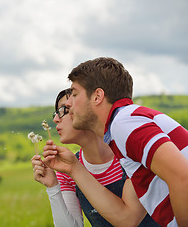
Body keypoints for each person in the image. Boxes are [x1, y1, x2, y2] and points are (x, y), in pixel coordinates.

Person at [44, 57, 188, 227]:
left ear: (97, 96)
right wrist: (73, 169)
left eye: (74, 94)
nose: (69, 103)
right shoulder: (123, 129)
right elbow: (127, 218)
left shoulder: (123, 122)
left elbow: (182, 175)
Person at [32, 88, 159, 227]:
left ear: (86, 111)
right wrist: (53, 187)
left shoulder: (129, 154)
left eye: (64, 110)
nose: (56, 119)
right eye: (56, 113)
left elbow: (129, 219)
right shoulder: (67, 170)